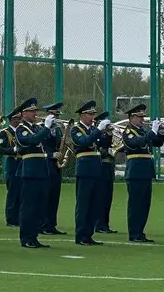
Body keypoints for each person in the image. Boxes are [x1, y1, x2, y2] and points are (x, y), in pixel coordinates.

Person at [122, 104, 163, 243]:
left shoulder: (143, 130)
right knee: (135, 204)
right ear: (131, 117)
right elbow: (137, 143)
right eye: (139, 117)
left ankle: (140, 231)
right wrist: (152, 131)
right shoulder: (128, 132)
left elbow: (157, 143)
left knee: (145, 204)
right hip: (135, 171)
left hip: (146, 171)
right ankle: (134, 233)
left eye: (143, 117)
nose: (142, 119)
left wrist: (160, 132)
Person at [15, 97, 53, 249]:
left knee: (39, 206)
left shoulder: (37, 127)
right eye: (31, 111)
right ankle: (26, 238)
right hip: (29, 170)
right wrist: (46, 127)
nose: (35, 113)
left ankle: (34, 236)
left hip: (41, 169)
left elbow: (47, 141)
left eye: (35, 110)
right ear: (23, 113)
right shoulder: (21, 128)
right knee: (28, 206)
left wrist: (48, 128)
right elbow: (31, 141)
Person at [69, 100, 107, 246]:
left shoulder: (93, 129)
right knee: (83, 204)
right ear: (82, 115)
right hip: (84, 169)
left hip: (96, 169)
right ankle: (80, 235)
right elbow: (83, 142)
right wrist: (98, 130)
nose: (92, 117)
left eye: (93, 114)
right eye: (90, 114)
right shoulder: (76, 129)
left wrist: (106, 133)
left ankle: (89, 234)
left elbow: (103, 144)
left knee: (94, 204)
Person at [40, 102, 66, 236]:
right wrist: (51, 155)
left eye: (56, 114)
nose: (55, 117)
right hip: (45, 163)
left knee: (55, 195)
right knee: (46, 195)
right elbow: (39, 145)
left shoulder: (58, 128)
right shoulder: (41, 127)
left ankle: (51, 224)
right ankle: (43, 225)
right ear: (47, 114)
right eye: (53, 114)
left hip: (56, 164)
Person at [0, 106, 22, 227]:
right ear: (11, 119)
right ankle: (11, 219)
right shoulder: (5, 132)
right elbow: (1, 149)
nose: (19, 121)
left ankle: (19, 217)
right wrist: (13, 149)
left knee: (22, 193)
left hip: (22, 164)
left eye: (20, 118)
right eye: (17, 118)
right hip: (13, 164)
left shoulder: (23, 131)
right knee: (13, 193)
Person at [93, 111, 117, 234]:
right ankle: (99, 224)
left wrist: (109, 134)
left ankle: (105, 224)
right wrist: (106, 151)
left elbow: (109, 144)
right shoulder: (96, 133)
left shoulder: (106, 134)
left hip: (108, 167)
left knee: (108, 197)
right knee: (101, 196)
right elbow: (98, 147)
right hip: (100, 166)